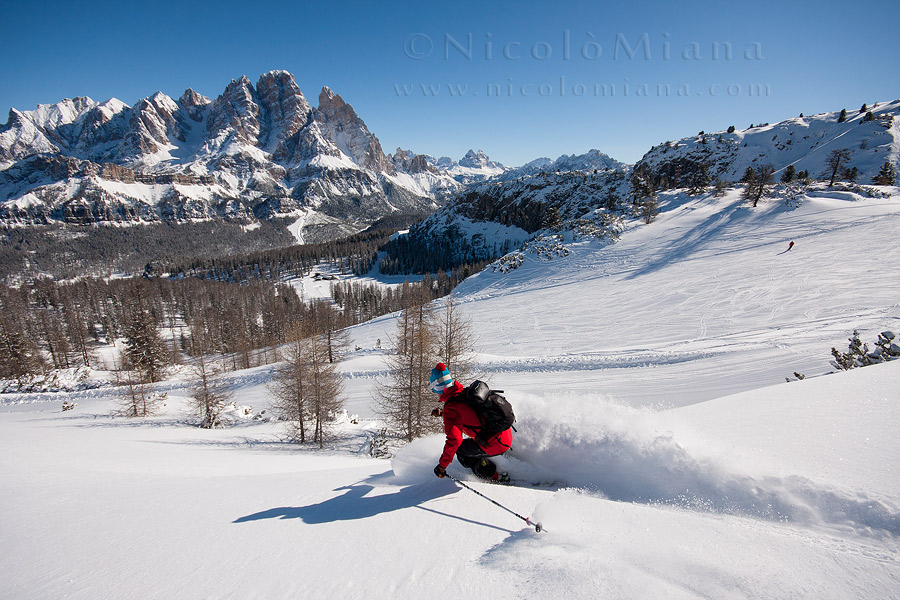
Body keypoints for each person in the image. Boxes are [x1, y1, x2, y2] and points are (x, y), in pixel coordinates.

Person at [429, 363, 512, 483]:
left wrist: (442, 466)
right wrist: (443, 413)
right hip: (503, 433)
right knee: (471, 443)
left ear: (436, 388)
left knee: (462, 453)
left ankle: (496, 477)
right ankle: (500, 459)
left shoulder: (451, 409)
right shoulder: (463, 393)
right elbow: (468, 414)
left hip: (497, 443)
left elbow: (454, 441)